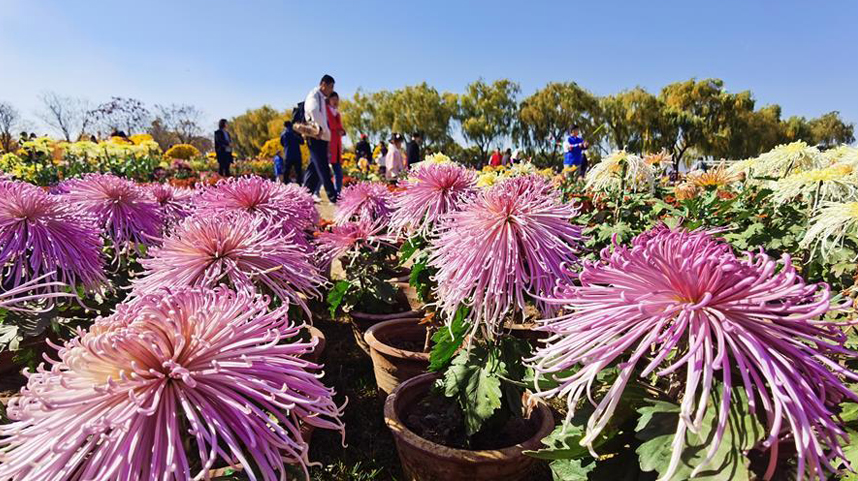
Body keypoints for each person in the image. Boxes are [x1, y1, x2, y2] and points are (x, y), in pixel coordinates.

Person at [302, 74, 338, 203]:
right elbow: (313, 110)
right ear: (323, 84)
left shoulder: (321, 97)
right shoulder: (314, 95)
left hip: (321, 136)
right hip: (317, 136)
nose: (331, 90)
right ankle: (333, 196)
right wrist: (322, 128)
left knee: (314, 166)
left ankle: (304, 193)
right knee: (322, 167)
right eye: (330, 87)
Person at [327, 92, 345, 195]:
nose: (335, 101)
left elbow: (339, 127)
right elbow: (330, 126)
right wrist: (338, 129)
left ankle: (338, 193)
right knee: (323, 170)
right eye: (333, 99)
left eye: (337, 99)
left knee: (338, 171)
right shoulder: (326, 111)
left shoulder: (337, 113)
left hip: (336, 146)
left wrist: (342, 131)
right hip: (328, 144)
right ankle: (315, 191)